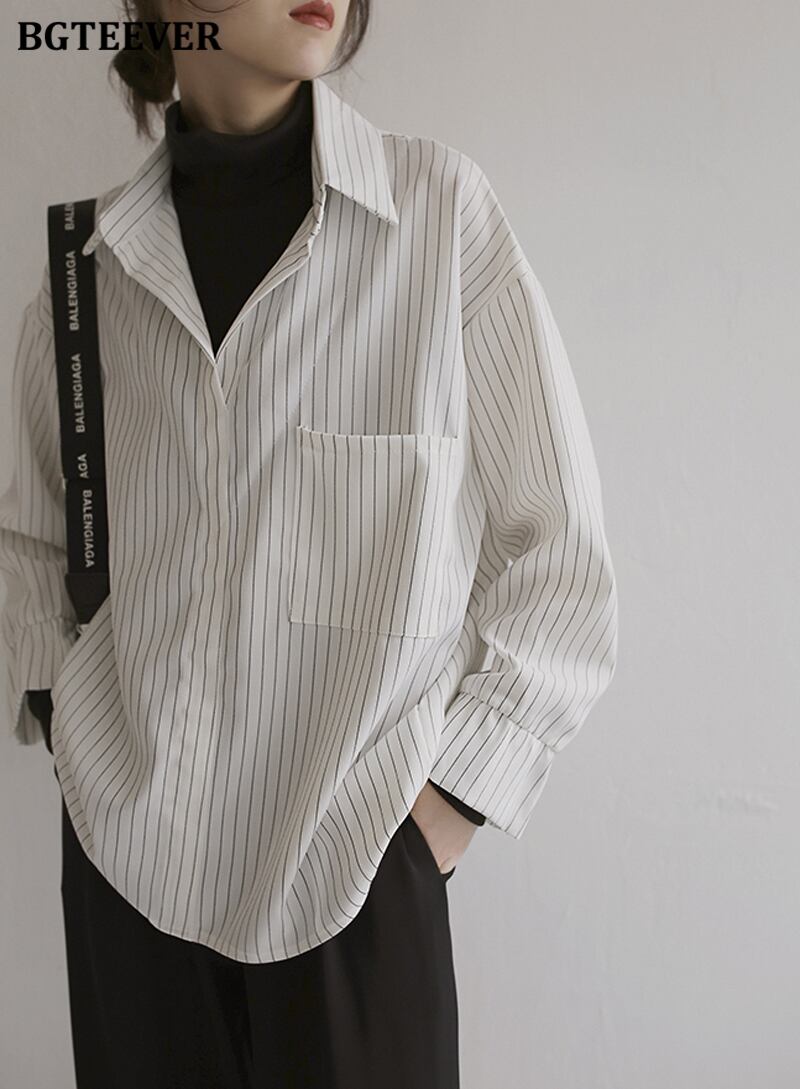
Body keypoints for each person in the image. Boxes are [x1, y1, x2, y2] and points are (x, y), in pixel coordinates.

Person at [0, 1, 619, 1086]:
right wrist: (72, 732)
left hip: (356, 883)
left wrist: (441, 817)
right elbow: (29, 541)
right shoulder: (87, 271)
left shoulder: (436, 218)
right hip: (126, 880)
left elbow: (559, 562)